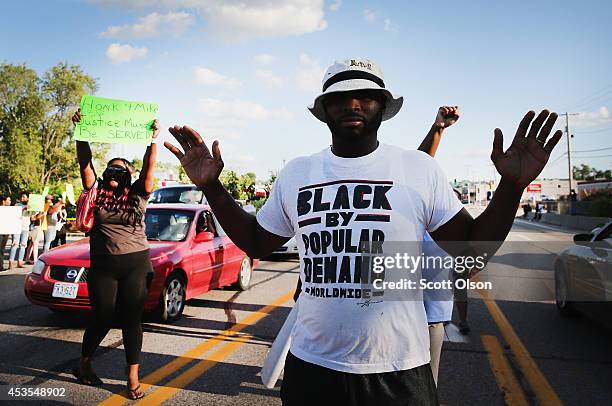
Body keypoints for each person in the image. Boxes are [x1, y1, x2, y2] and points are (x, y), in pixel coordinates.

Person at [165, 58, 562, 405]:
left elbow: (469, 251)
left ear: (382, 107)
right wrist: (212, 188)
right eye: (340, 97)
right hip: (313, 368)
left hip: (399, 371)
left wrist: (512, 187)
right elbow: (256, 242)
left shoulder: (418, 169)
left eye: (365, 96)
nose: (353, 104)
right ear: (324, 110)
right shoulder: (298, 172)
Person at [71, 109, 159, 400]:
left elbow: (148, 170)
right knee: (102, 316)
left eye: (121, 170)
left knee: (132, 319)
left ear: (128, 177)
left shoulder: (137, 194)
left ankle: (132, 376)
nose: (114, 173)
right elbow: (85, 162)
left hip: (136, 263)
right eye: (111, 168)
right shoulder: (95, 193)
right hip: (104, 266)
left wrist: (152, 140)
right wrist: (81, 131)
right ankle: (84, 362)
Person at [417, 106, 463, 381]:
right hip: (395, 315)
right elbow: (418, 170)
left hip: (433, 315)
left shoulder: (452, 234)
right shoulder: (412, 223)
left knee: (428, 379)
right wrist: (437, 128)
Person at [9, 192, 35, 269]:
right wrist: (24, 208)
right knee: (15, 244)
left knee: (23, 245)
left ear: (28, 198)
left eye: (24, 197)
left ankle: (19, 262)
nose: (22, 198)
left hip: (26, 228)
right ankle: (11, 262)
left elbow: (32, 218)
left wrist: (39, 212)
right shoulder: (17, 205)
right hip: (17, 227)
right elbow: (14, 215)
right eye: (22, 197)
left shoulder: (30, 206)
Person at [0, 195, 12, 271]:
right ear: (4, 201)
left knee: (2, 249)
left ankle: (1, 266)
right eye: (9, 200)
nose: (10, 202)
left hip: (6, 231)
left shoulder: (10, 210)